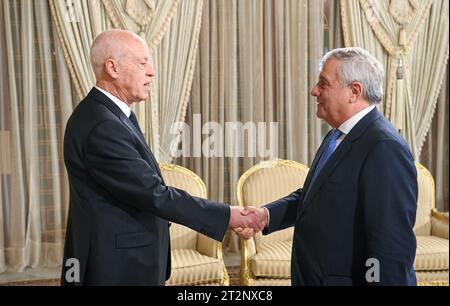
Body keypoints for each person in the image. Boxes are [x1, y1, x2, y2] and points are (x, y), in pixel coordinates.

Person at [61, 29, 264, 286]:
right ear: (112, 68)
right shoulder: (103, 126)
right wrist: (228, 215)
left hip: (123, 259)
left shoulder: (108, 115)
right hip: (117, 267)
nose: (151, 72)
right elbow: (154, 194)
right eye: (142, 62)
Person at [241, 47, 418, 286]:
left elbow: (389, 248)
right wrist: (266, 215)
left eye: (323, 84)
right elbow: (314, 197)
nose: (314, 91)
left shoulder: (383, 147)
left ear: (354, 91)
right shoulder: (336, 135)